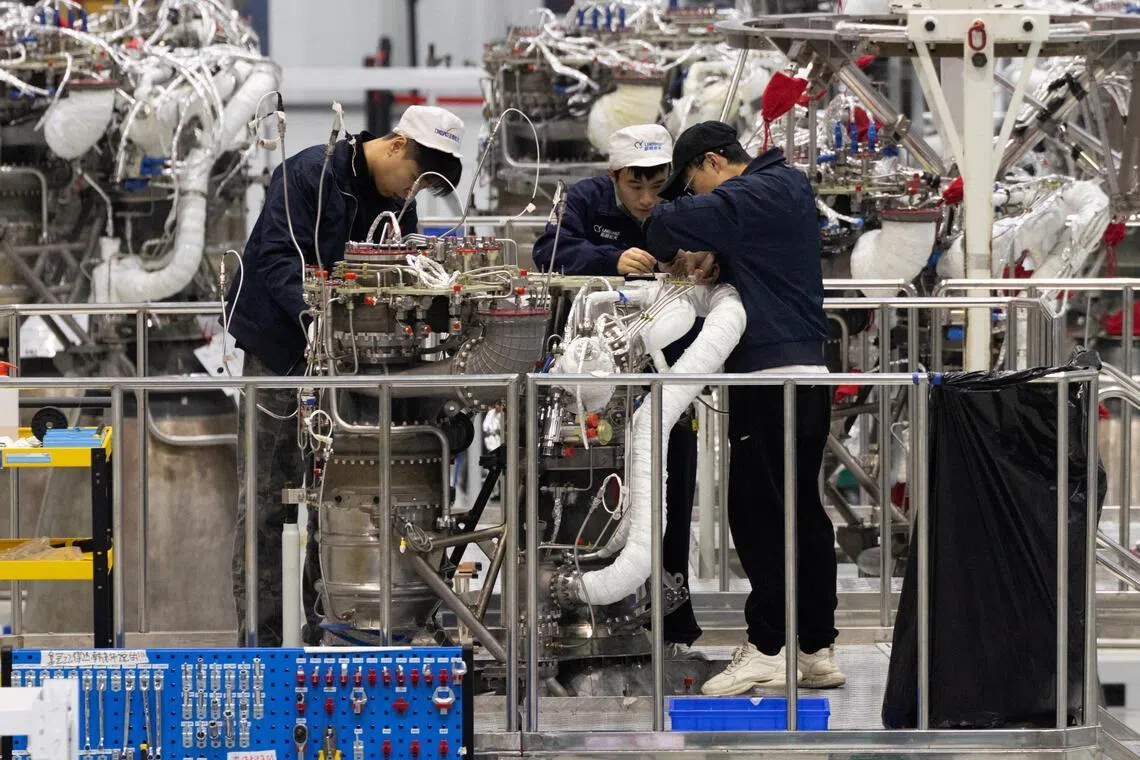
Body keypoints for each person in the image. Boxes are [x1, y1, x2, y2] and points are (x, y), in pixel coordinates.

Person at [225, 105, 465, 646]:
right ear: (398, 146)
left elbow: (400, 270)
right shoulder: (310, 174)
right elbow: (276, 257)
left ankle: (322, 630)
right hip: (282, 354)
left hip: (350, 363)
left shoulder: (396, 206)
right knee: (268, 498)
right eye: (414, 181)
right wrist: (319, 315)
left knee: (336, 497)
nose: (410, 197)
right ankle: (260, 645)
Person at [644, 121, 845, 693]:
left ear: (712, 162)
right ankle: (814, 647)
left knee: (758, 514)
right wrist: (721, 261)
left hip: (771, 380)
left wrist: (674, 233)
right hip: (801, 377)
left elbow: (665, 225)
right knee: (801, 513)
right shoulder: (784, 189)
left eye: (692, 183)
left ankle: (767, 646)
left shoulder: (757, 192)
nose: (697, 196)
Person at [533, 124, 704, 654]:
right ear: (614, 176)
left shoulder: (683, 203)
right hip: (595, 380)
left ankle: (672, 624)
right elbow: (547, 251)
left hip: (665, 374)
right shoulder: (583, 200)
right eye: (637, 187)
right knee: (590, 492)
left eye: (658, 186)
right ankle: (577, 607)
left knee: (671, 490)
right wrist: (610, 261)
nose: (649, 199)